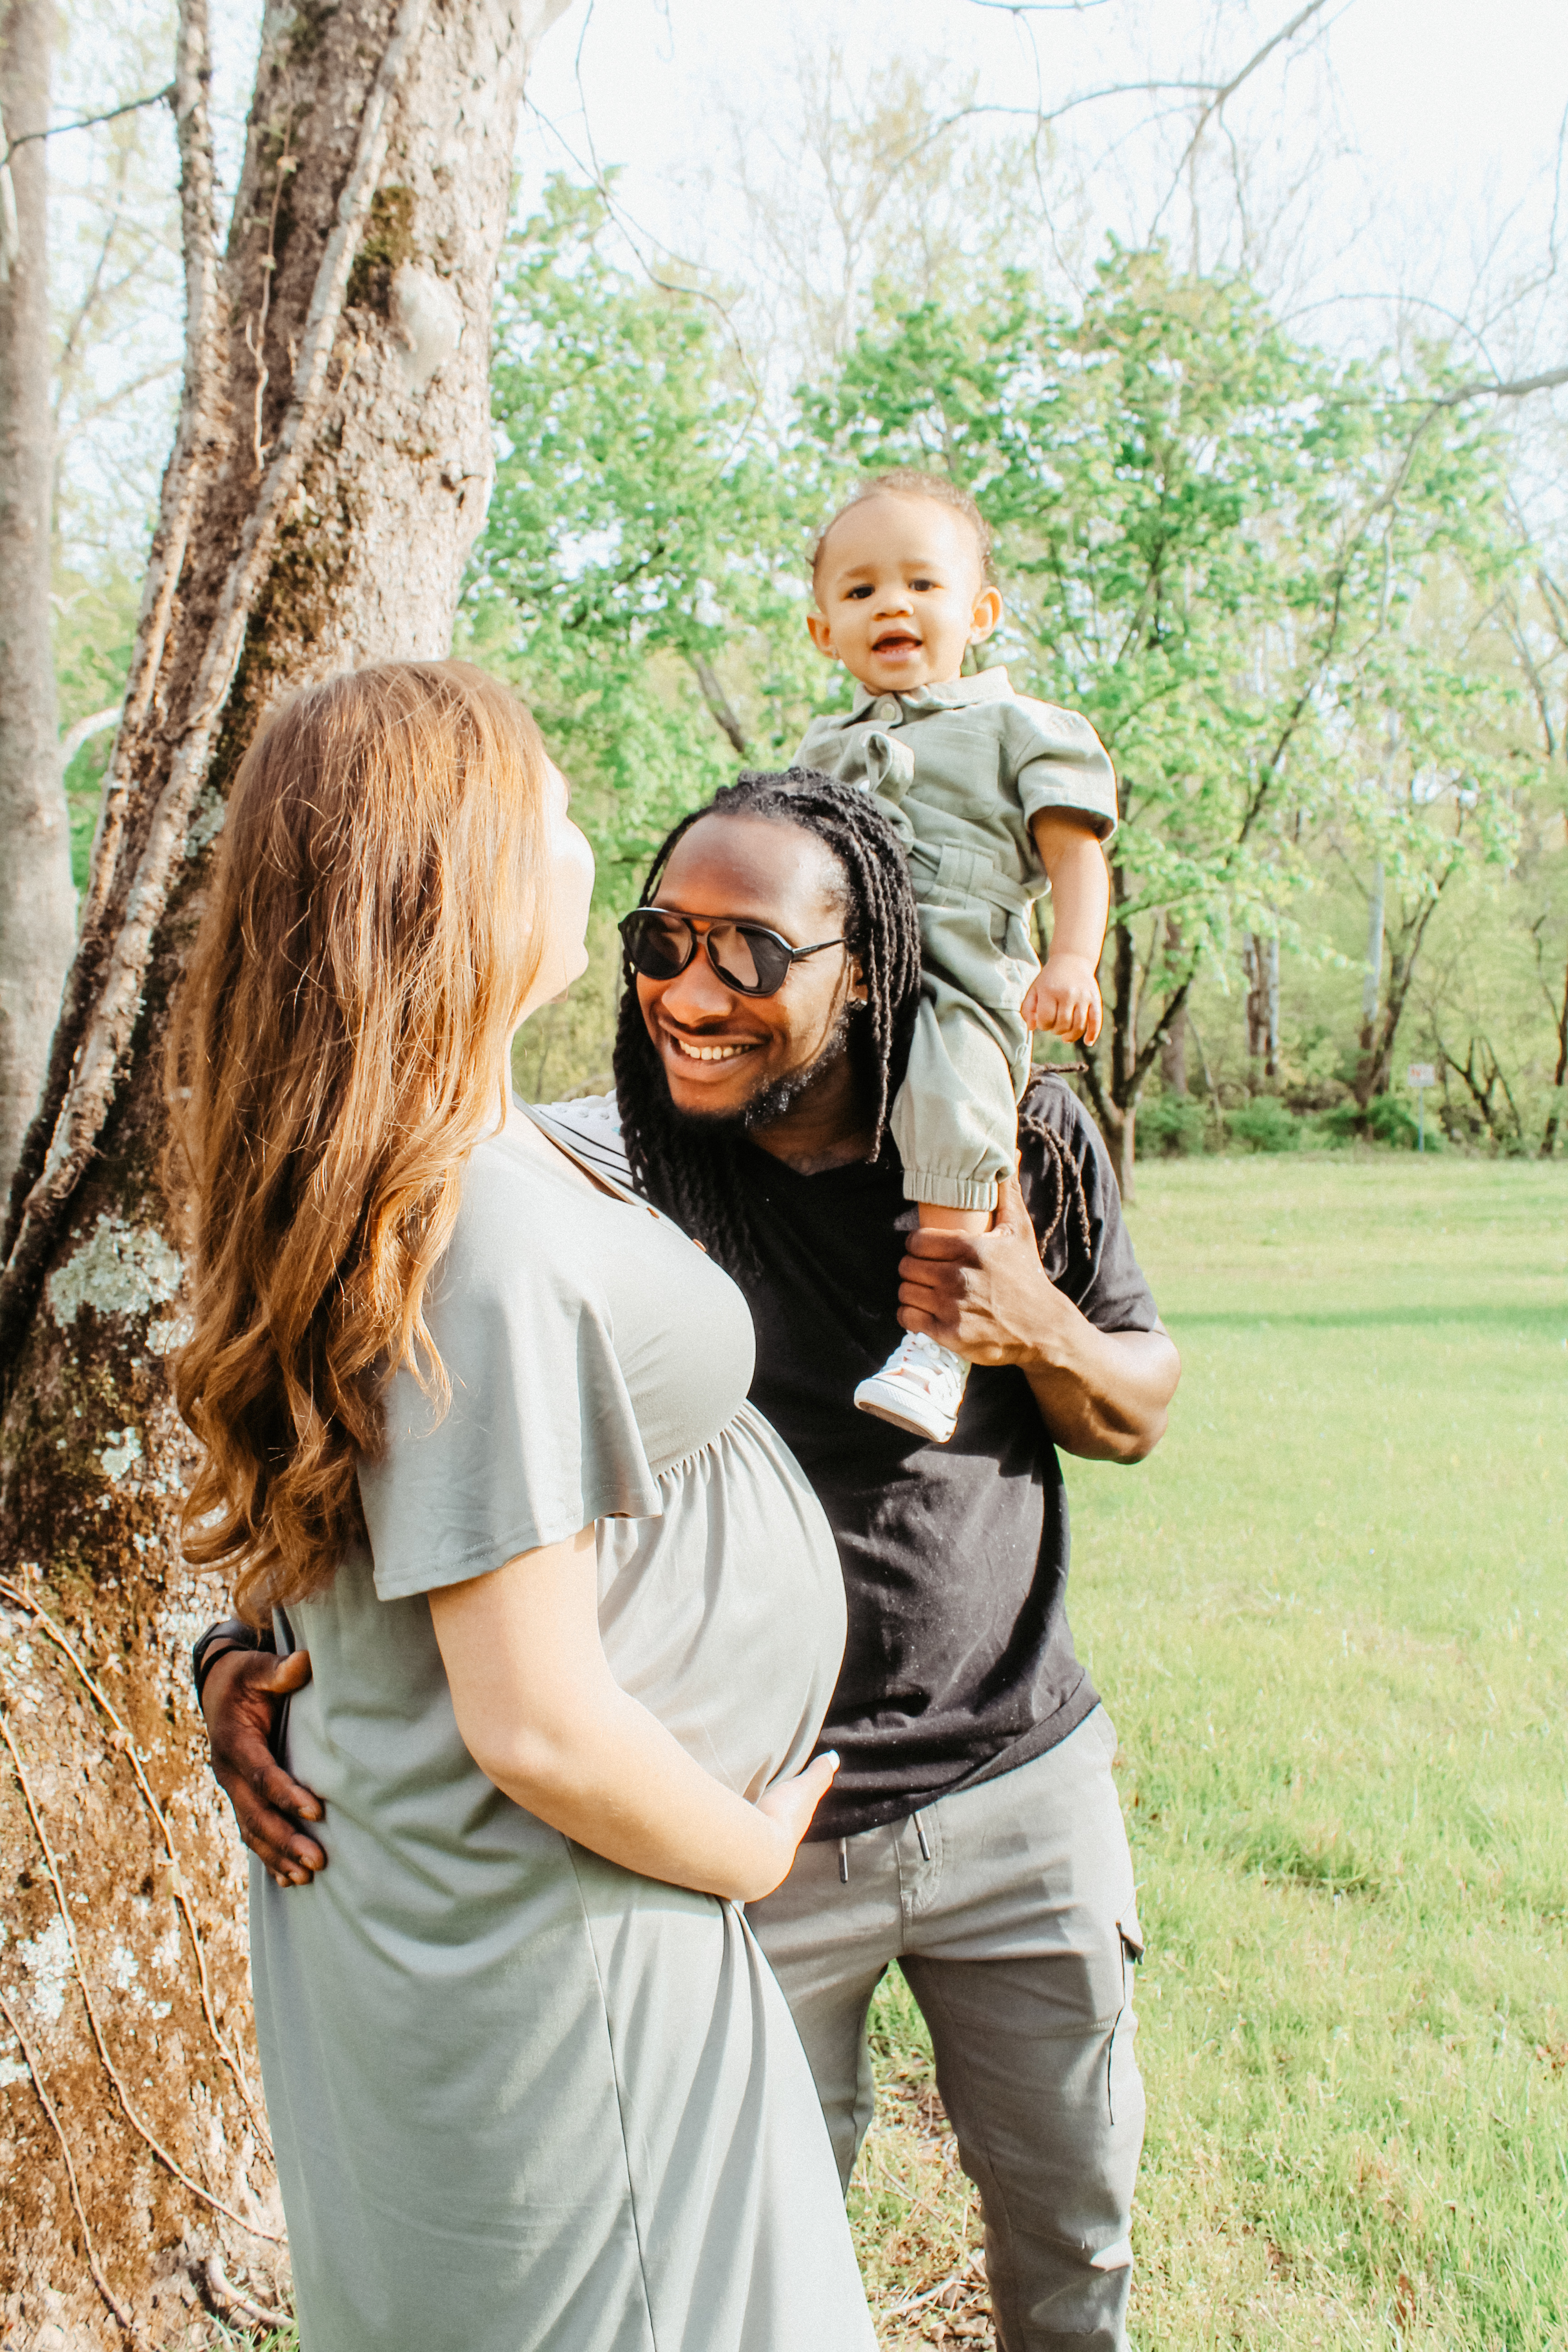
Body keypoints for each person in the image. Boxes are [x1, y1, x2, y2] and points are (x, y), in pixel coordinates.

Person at [203, 766, 1180, 2352]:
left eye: (750, 954)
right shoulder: (610, 1171)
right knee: (762, 2253)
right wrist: (236, 1642)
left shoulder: (1015, 1138)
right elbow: (385, 1392)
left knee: (1071, 2233)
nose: (690, 993)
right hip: (741, 1822)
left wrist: (1036, 1324)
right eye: (660, 942)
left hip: (1015, 1789)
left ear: (863, 961)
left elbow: (1136, 1405)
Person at [168, 669, 875, 2352]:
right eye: (552, 807)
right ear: (460, 871)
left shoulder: (426, 1160)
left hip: (457, 1885)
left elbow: (358, 1499)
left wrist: (224, 1651)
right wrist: (749, 1849)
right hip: (551, 1925)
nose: (587, 846)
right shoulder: (473, 1224)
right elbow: (538, 1722)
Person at [796, 467, 1118, 1442]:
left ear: (980, 612)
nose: (892, 604)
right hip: (842, 964)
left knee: (955, 1089)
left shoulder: (1019, 727)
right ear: (823, 629)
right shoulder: (820, 749)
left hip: (960, 964)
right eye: (861, 590)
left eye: (922, 583)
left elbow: (1075, 851)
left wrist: (1072, 960)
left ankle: (937, 1343)